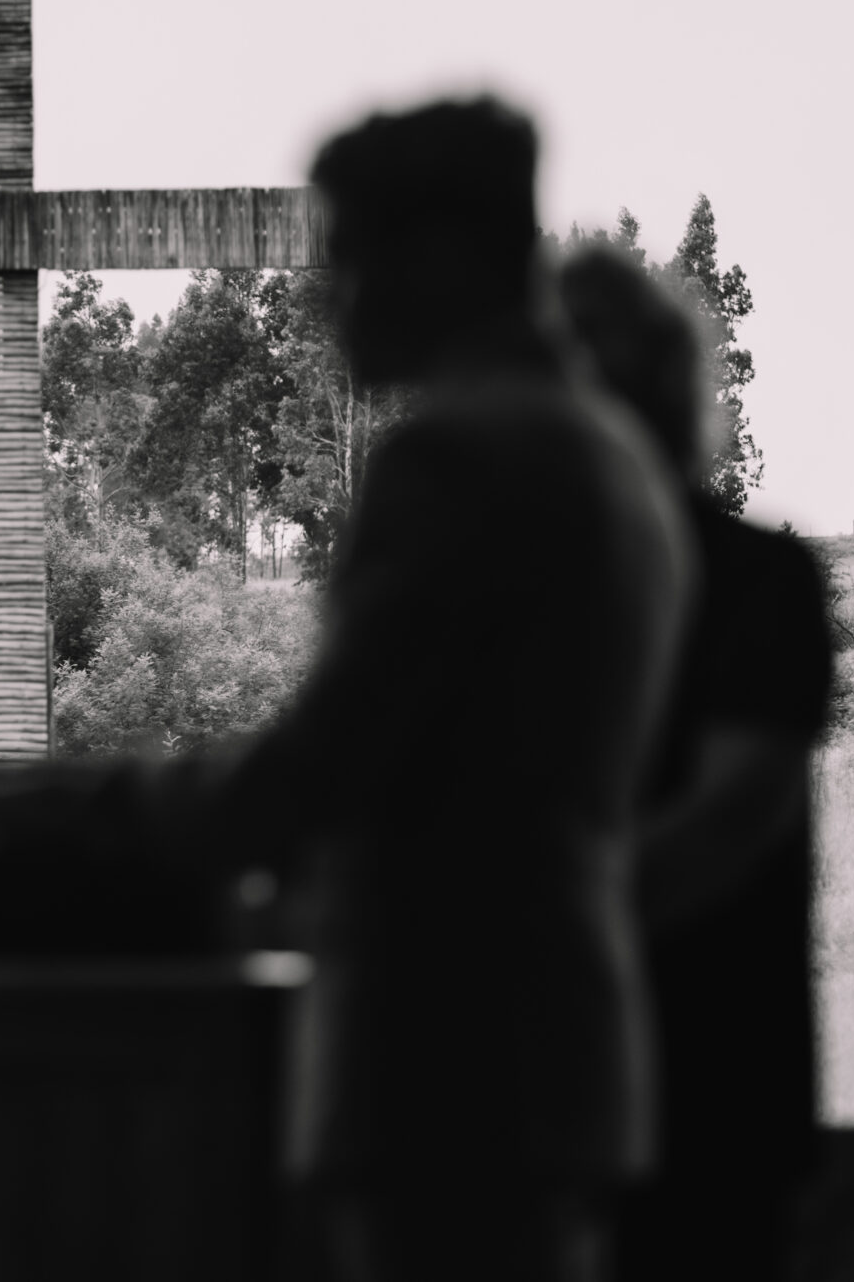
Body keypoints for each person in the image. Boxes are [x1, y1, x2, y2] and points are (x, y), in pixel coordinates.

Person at [129, 96, 696, 1282]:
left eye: (344, 260)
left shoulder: (456, 458)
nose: (325, 300)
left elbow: (323, 766)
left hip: (444, 1055)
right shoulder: (611, 454)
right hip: (557, 1046)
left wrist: (38, 808)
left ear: (435, 260)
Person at [558, 246, 834, 1282]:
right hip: (705, 1074)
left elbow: (729, 819)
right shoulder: (766, 578)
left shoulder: (755, 581)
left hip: (696, 1076)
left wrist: (526, 932)